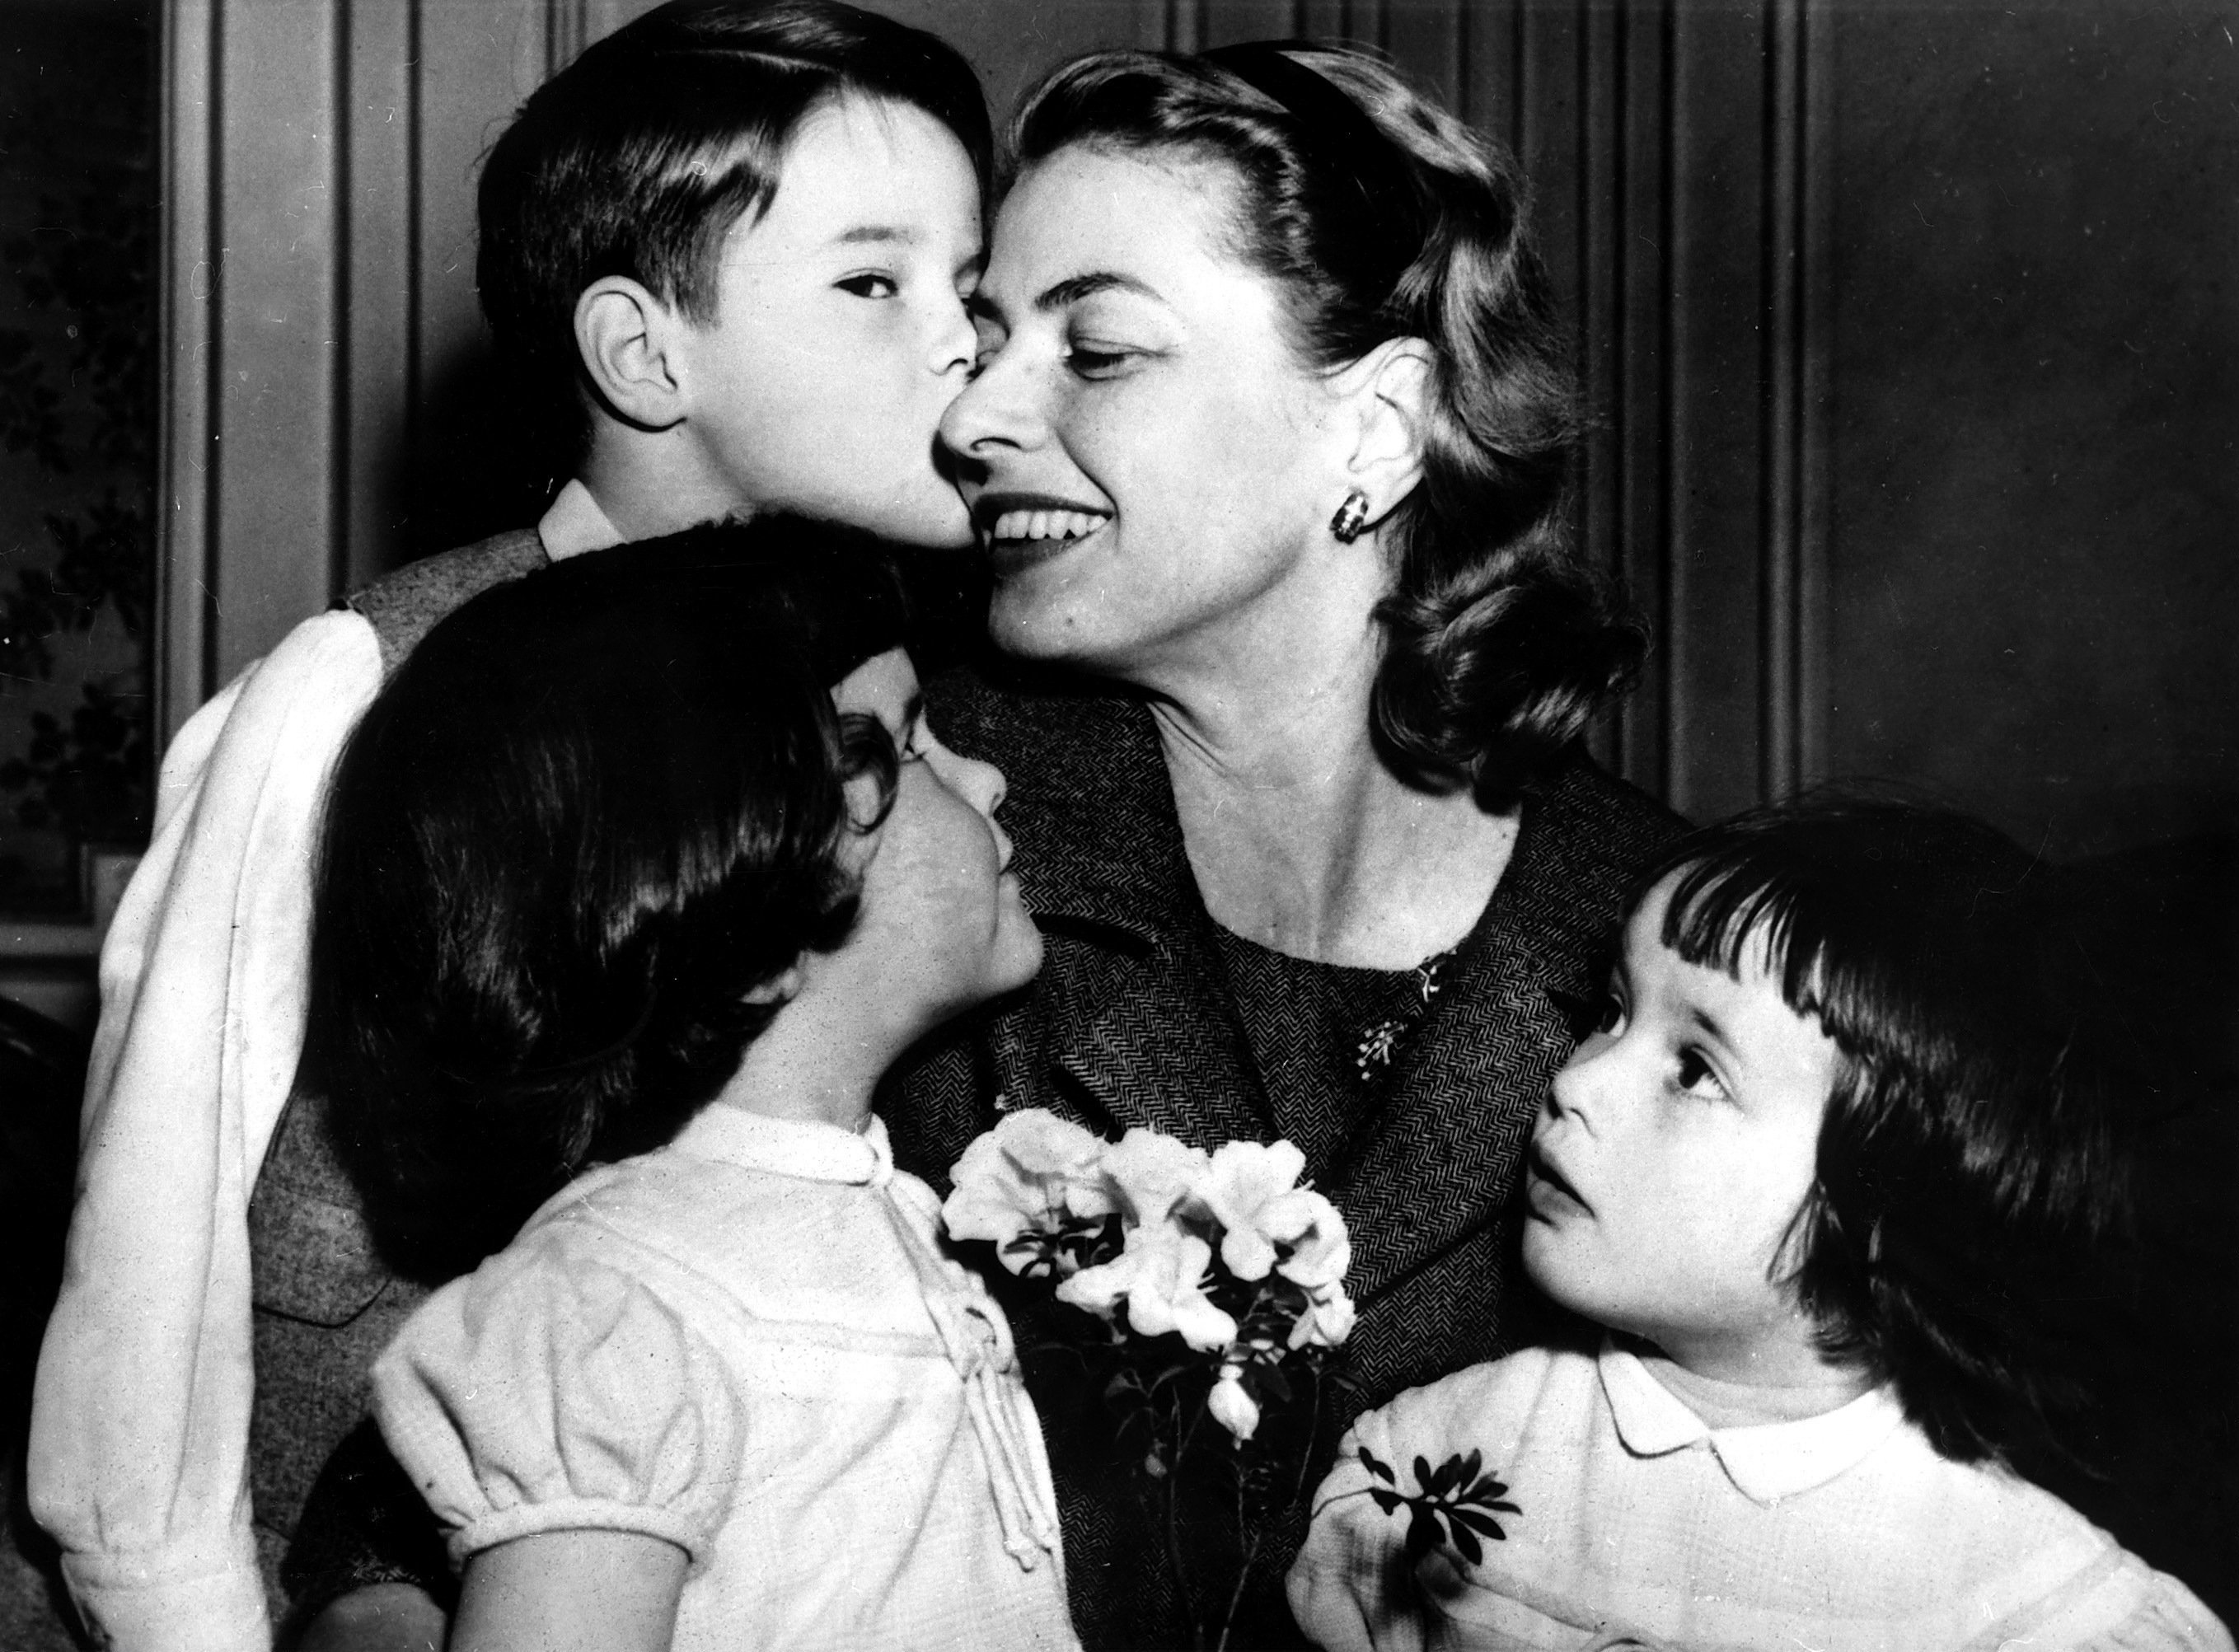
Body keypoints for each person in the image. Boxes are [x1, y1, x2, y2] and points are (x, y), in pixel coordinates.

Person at [26, 4, 988, 1645]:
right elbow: (151, 1269)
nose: (964, 342)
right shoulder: (363, 686)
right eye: (872, 285)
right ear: (640, 354)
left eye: (968, 284)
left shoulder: (919, 735)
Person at [888, 40, 1683, 1647]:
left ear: (1378, 429)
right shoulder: (890, 818)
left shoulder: (1657, 938)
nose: (973, 415)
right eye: (982, 342)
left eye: (1095, 350)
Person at [315, 523, 1073, 1652]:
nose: (988, 775)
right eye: (915, 749)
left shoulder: (862, 1211)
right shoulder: (616, 1311)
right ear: (745, 893)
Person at [1286, 798, 2234, 1652]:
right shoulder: (1451, 1454)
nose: (1574, 1081)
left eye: (1695, 1067)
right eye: (1612, 1012)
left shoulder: (2019, 1600)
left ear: (1885, 1207)